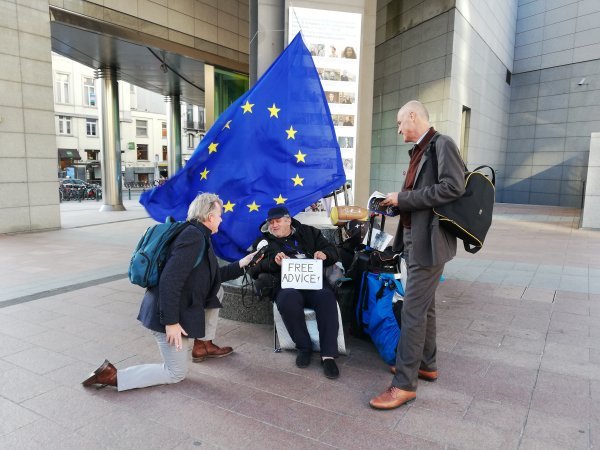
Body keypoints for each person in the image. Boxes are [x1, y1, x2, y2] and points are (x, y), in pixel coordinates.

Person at [82, 193, 257, 391]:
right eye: (219, 215)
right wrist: (171, 323)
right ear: (209, 217)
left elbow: (212, 277)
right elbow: (170, 281)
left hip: (176, 311)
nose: (221, 219)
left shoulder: (200, 235)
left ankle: (203, 344)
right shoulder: (193, 237)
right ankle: (112, 376)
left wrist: (243, 263)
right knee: (175, 373)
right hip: (165, 316)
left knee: (217, 292)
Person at [369, 100, 465, 410]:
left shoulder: (443, 144)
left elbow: (454, 187)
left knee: (412, 310)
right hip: (414, 237)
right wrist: (395, 203)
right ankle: (426, 364)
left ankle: (404, 384)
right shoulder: (420, 152)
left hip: (430, 241)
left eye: (399, 123)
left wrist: (405, 197)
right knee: (426, 306)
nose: (398, 130)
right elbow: (421, 198)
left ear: (413, 115)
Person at [248, 206, 341, 379]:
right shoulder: (263, 242)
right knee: (288, 300)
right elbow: (253, 268)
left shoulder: (309, 232)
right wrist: (273, 263)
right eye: (271, 222)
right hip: (286, 285)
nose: (274, 225)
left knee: (327, 297)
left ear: (288, 220)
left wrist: (325, 255)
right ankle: (304, 347)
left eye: (277, 221)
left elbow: (333, 251)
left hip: (313, 283)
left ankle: (328, 355)